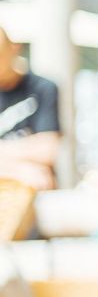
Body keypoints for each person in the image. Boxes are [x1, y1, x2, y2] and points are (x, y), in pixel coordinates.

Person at [0, 26, 61, 191]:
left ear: (14, 48)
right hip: (25, 176)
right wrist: (16, 170)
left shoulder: (43, 88)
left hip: (32, 191)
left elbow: (48, 149)